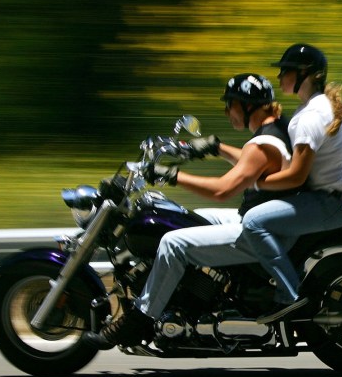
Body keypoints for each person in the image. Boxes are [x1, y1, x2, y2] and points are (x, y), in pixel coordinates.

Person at [85, 73, 295, 349]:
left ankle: (141, 319)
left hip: (261, 233)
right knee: (190, 217)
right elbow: (249, 162)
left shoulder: (264, 144)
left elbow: (223, 190)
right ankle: (189, 295)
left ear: (246, 105)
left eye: (229, 104)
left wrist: (171, 175)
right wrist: (214, 147)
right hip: (261, 219)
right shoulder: (275, 131)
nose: (226, 111)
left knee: (173, 242)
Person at [237, 43, 342, 323]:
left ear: (305, 74)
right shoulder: (326, 106)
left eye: (285, 71)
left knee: (254, 222)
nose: (279, 77)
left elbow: (296, 176)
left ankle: (290, 295)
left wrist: (256, 183)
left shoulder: (308, 117)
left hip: (334, 202)